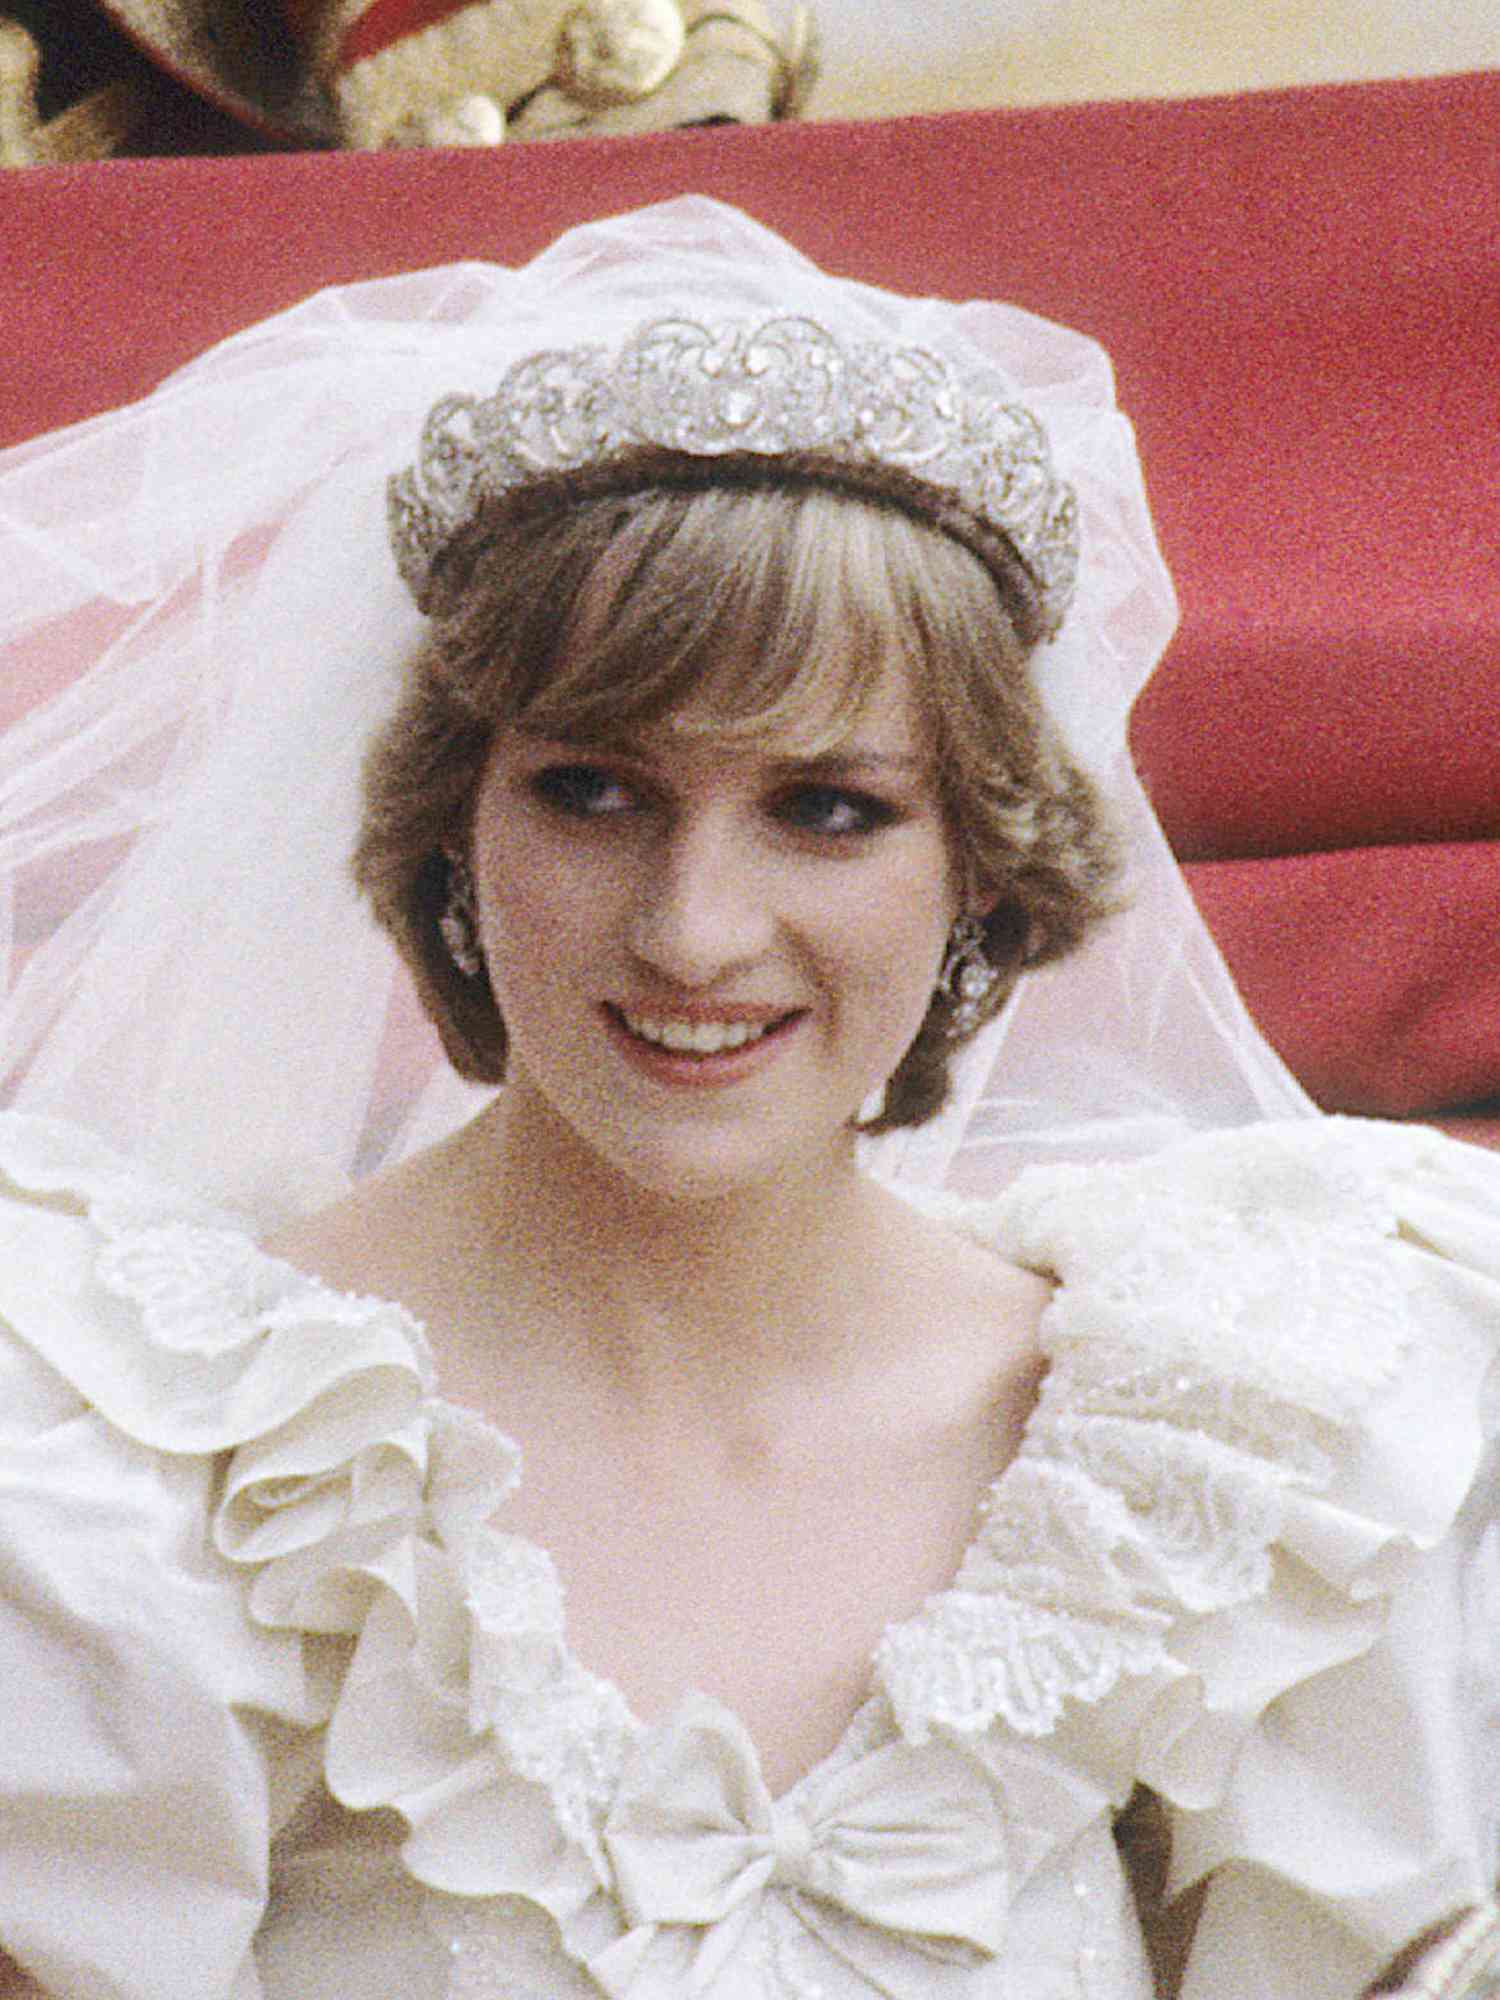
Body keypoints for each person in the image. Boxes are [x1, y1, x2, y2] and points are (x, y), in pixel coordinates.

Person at [0, 196, 1495, 2000]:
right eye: (596, 793)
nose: (698, 933)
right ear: (453, 825)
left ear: (980, 863)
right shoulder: (132, 1477)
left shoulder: (1227, 1443)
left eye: (829, 808)